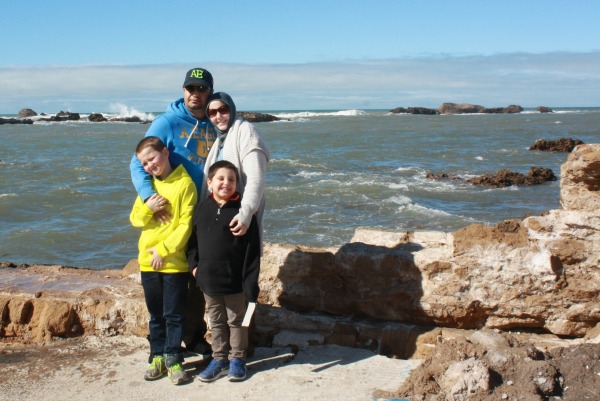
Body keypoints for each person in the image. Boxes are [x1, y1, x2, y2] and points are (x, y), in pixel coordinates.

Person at [129, 67, 216, 355]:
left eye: (201, 89)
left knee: (196, 277)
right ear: (183, 91)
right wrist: (149, 197)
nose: (195, 93)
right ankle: (164, 344)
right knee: (174, 280)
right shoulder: (167, 122)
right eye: (190, 88)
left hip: (204, 210)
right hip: (177, 210)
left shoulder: (216, 121)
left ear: (209, 92)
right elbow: (138, 162)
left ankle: (193, 338)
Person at [129, 136, 197, 385]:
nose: (149, 166)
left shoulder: (184, 184)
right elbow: (135, 219)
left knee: (174, 315)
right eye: (144, 164)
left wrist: (165, 250)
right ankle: (157, 356)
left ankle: (174, 358)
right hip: (147, 262)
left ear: (165, 153)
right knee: (155, 314)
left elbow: (185, 225)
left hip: (173, 262)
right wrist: (150, 207)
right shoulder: (149, 188)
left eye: (152, 159)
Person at [187, 160, 261, 382]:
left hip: (234, 281)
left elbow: (253, 250)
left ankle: (237, 359)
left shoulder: (243, 213)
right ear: (209, 183)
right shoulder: (202, 209)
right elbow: (192, 244)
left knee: (236, 322)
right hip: (208, 280)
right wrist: (195, 267)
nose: (226, 183)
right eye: (220, 178)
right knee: (216, 321)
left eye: (231, 179)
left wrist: (250, 281)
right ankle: (219, 359)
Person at [203, 92, 270, 242]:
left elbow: (256, 178)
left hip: (240, 218)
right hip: (223, 216)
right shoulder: (220, 140)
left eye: (223, 109)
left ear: (232, 109)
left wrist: (245, 214)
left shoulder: (246, 132)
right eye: (212, 112)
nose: (218, 116)